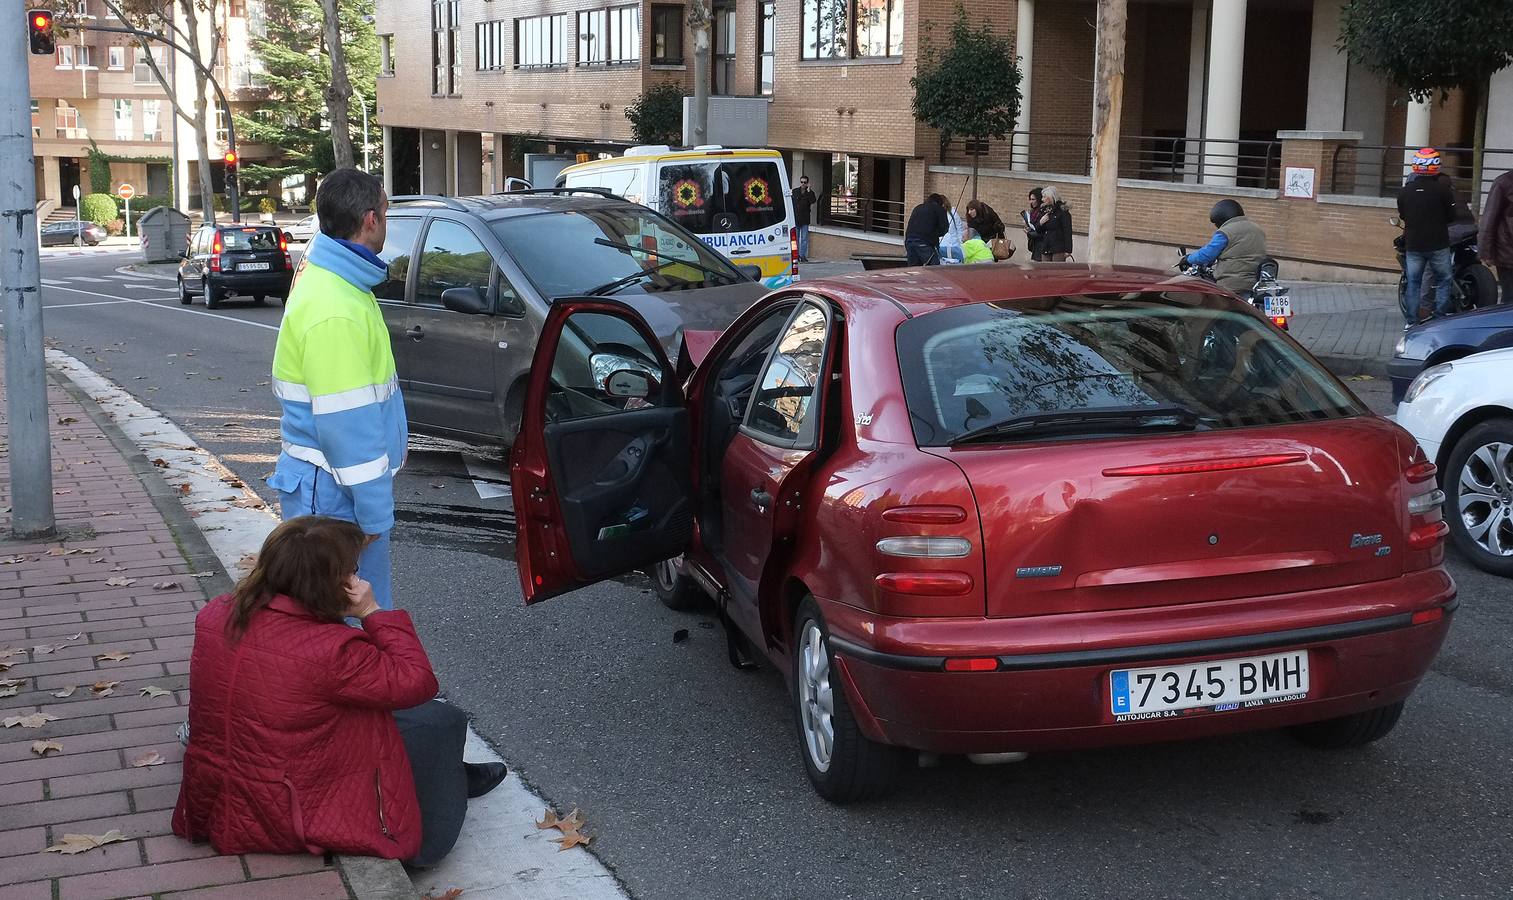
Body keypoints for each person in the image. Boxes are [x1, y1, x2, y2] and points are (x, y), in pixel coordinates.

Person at [172, 516, 508, 866]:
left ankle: (452, 774)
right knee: (441, 718)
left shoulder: (216, 612)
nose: (358, 578)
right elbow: (417, 681)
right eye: (353, 570)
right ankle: (444, 793)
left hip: (222, 787)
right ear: (332, 583)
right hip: (286, 804)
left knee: (400, 714)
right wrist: (372, 611)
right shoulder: (332, 651)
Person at [268, 168, 407, 609]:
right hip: (335, 492)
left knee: (335, 619)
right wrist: (373, 516)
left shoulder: (336, 283)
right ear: (371, 219)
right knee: (350, 623)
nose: (386, 222)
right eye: (386, 213)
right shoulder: (337, 307)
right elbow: (348, 427)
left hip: (325, 484)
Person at [1396, 148, 1458, 324]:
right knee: (1444, 279)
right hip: (1438, 243)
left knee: (1413, 283)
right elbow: (1451, 216)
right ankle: (1439, 317)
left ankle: (1412, 321)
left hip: (1414, 245)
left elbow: (1403, 215)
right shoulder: (1443, 190)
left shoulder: (1404, 192)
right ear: (1436, 166)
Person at [1181, 198, 1267, 294]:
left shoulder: (1226, 232)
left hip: (1232, 283)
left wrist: (1188, 259)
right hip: (1256, 282)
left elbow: (1206, 255)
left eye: (1216, 223)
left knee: (1210, 303)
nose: (1217, 226)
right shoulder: (1257, 229)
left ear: (1222, 218)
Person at [1478, 168, 1513, 304]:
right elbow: (1489, 219)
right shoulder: (1504, 182)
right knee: (1510, 298)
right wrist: (1485, 252)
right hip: (1508, 254)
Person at [904, 193, 950, 266]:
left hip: (909, 241)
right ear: (940, 202)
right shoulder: (938, 209)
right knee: (934, 268)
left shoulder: (918, 207)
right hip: (924, 243)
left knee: (914, 270)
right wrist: (935, 233)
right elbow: (944, 228)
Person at [1036, 186, 1074, 262]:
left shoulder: (1062, 211)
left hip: (1058, 247)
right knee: (1045, 271)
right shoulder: (1044, 210)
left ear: (1051, 197)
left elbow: (1067, 231)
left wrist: (1068, 250)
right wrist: (1040, 223)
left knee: (1056, 270)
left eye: (1044, 197)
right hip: (1046, 245)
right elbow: (1039, 231)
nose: (1042, 199)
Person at [790, 175, 817, 262]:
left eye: (805, 182)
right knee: (796, 239)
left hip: (805, 219)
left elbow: (813, 201)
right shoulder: (795, 191)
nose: (803, 184)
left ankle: (803, 256)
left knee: (804, 239)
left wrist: (809, 191)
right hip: (796, 218)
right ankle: (796, 255)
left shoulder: (810, 193)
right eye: (801, 182)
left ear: (807, 183)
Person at [1022, 188, 1045, 261]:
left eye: (1033, 199)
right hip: (1035, 245)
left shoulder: (1043, 212)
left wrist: (1029, 233)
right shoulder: (1033, 212)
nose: (1031, 202)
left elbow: (1042, 231)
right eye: (1030, 199)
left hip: (1042, 245)